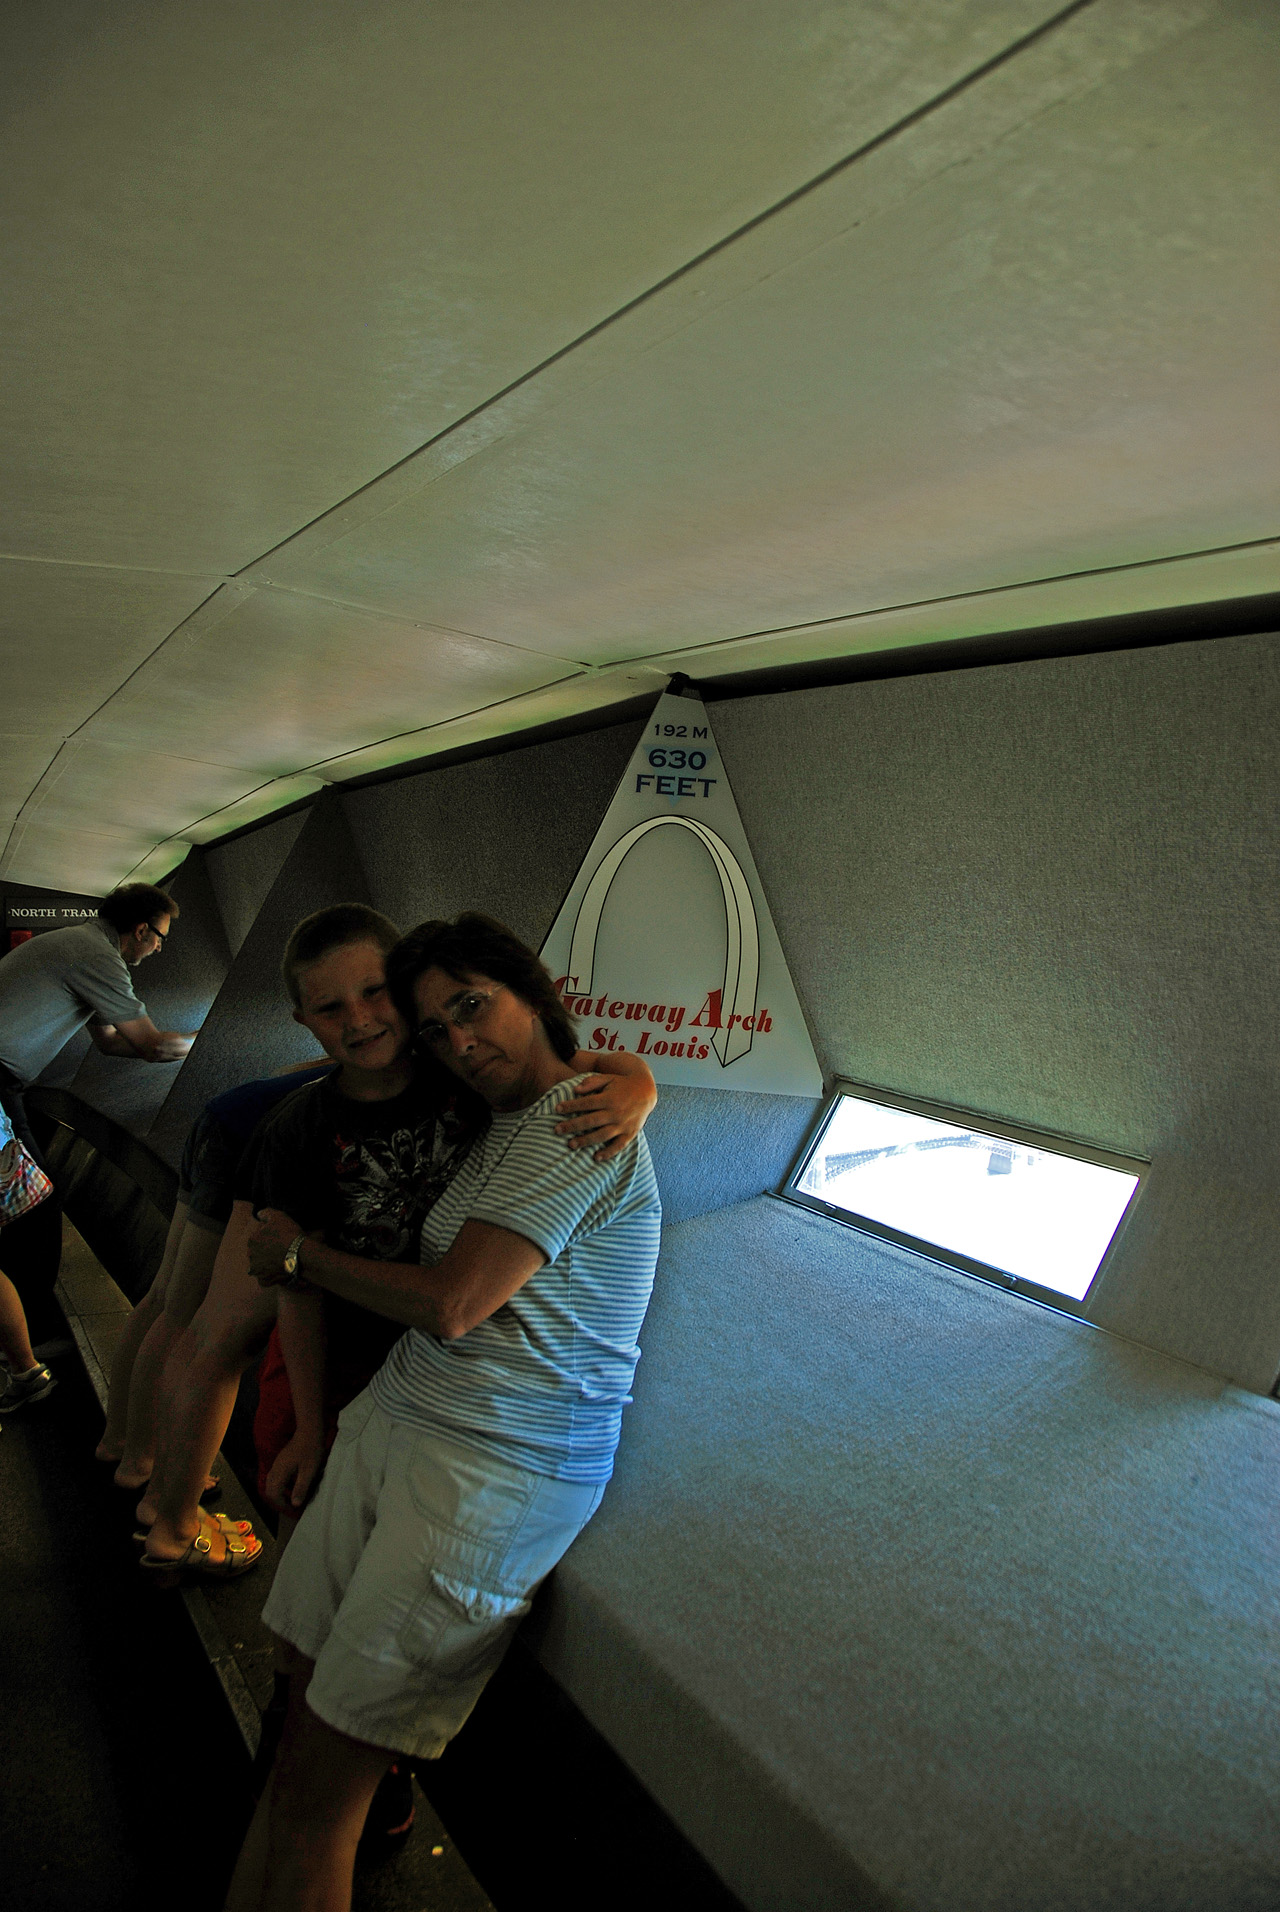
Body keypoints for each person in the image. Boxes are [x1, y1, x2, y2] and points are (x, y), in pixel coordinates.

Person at [226, 913, 662, 1912]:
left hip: (486, 1471)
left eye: (470, 1007)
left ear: (532, 989)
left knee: (319, 1798)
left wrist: (296, 1256)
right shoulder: (491, 1118)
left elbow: (454, 1302)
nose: (456, 1041)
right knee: (296, 1752)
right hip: (395, 1423)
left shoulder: (576, 1118)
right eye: (435, 1028)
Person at [138, 905, 654, 1579]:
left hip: (418, 1367)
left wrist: (638, 1085)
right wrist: (311, 1424)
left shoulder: (457, 1073)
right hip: (333, 1356)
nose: (358, 1020)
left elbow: (568, 1063)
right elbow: (295, 1288)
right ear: (302, 1018)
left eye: (376, 993)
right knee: (309, 1523)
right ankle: (180, 1531)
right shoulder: (297, 1133)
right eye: (329, 1008)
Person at [96, 1058, 332, 1491]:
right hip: (245, 1143)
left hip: (226, 1116)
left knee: (165, 1300)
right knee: (199, 1328)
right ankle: (153, 1480)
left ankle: (122, 1443)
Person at [0, 882, 196, 1340]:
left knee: (31, 1204)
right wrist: (208, 1042)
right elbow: (150, 1045)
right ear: (142, 930)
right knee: (34, 1206)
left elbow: (110, 1043)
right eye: (162, 938)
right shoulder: (97, 956)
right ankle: (31, 1335)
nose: (160, 949)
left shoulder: (79, 945)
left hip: (6, 1084)